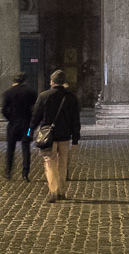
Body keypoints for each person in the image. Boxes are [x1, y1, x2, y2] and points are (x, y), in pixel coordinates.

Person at [30, 69, 81, 204]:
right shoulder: (71, 98)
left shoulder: (44, 96)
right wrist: (75, 139)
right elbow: (76, 120)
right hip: (65, 136)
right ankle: (62, 192)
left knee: (50, 162)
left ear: (51, 81)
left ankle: (53, 191)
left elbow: (35, 117)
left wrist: (29, 132)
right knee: (63, 163)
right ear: (64, 82)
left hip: (48, 137)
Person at [2, 72, 38, 181]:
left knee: (10, 148)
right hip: (26, 126)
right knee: (26, 148)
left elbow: (4, 110)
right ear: (24, 80)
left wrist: (11, 118)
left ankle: (8, 172)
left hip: (13, 125)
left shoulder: (8, 93)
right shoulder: (31, 92)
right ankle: (25, 173)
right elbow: (34, 108)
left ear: (14, 80)